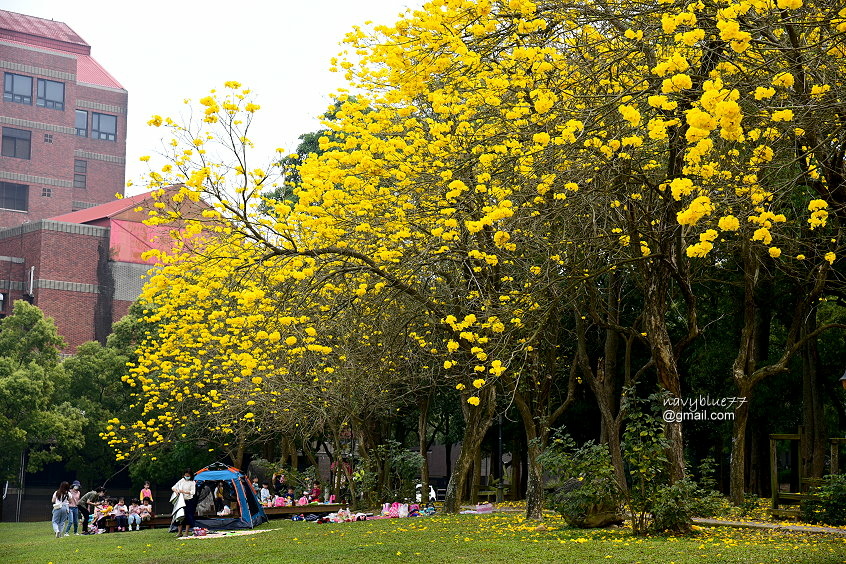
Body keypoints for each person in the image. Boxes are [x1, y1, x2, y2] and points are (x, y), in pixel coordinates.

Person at [171, 469, 196, 537]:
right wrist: (176, 491)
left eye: (188, 476)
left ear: (191, 476)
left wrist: (184, 492)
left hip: (188, 501)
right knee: (180, 516)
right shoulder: (181, 481)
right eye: (185, 475)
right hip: (180, 501)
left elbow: (193, 492)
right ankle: (179, 532)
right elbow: (173, 487)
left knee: (188, 516)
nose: (186, 477)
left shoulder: (192, 482)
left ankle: (186, 532)